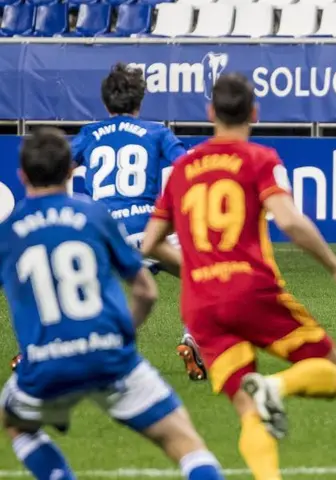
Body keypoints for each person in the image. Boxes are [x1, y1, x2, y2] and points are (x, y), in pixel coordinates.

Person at [140, 72, 336, 480]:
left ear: (210, 112)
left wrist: (198, 270)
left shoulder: (184, 168)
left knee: (247, 413)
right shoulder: (260, 159)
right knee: (334, 374)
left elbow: (151, 244)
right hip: (250, 290)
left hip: (201, 305)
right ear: (255, 113)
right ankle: (275, 388)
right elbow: (290, 222)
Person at [0, 128, 224, 480]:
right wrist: (123, 334)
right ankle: (194, 333)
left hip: (43, 365)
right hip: (109, 357)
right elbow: (146, 292)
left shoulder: (8, 231)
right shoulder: (92, 215)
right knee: (186, 444)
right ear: (71, 171)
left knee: (15, 424)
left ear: (22, 175)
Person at [69, 62, 206, 381]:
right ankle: (193, 341)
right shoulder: (156, 131)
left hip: (104, 234)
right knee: (200, 276)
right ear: (140, 102)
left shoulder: (90, 134)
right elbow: (187, 169)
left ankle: (43, 350)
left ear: (105, 103)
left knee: (76, 289)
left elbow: (55, 169)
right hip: (148, 231)